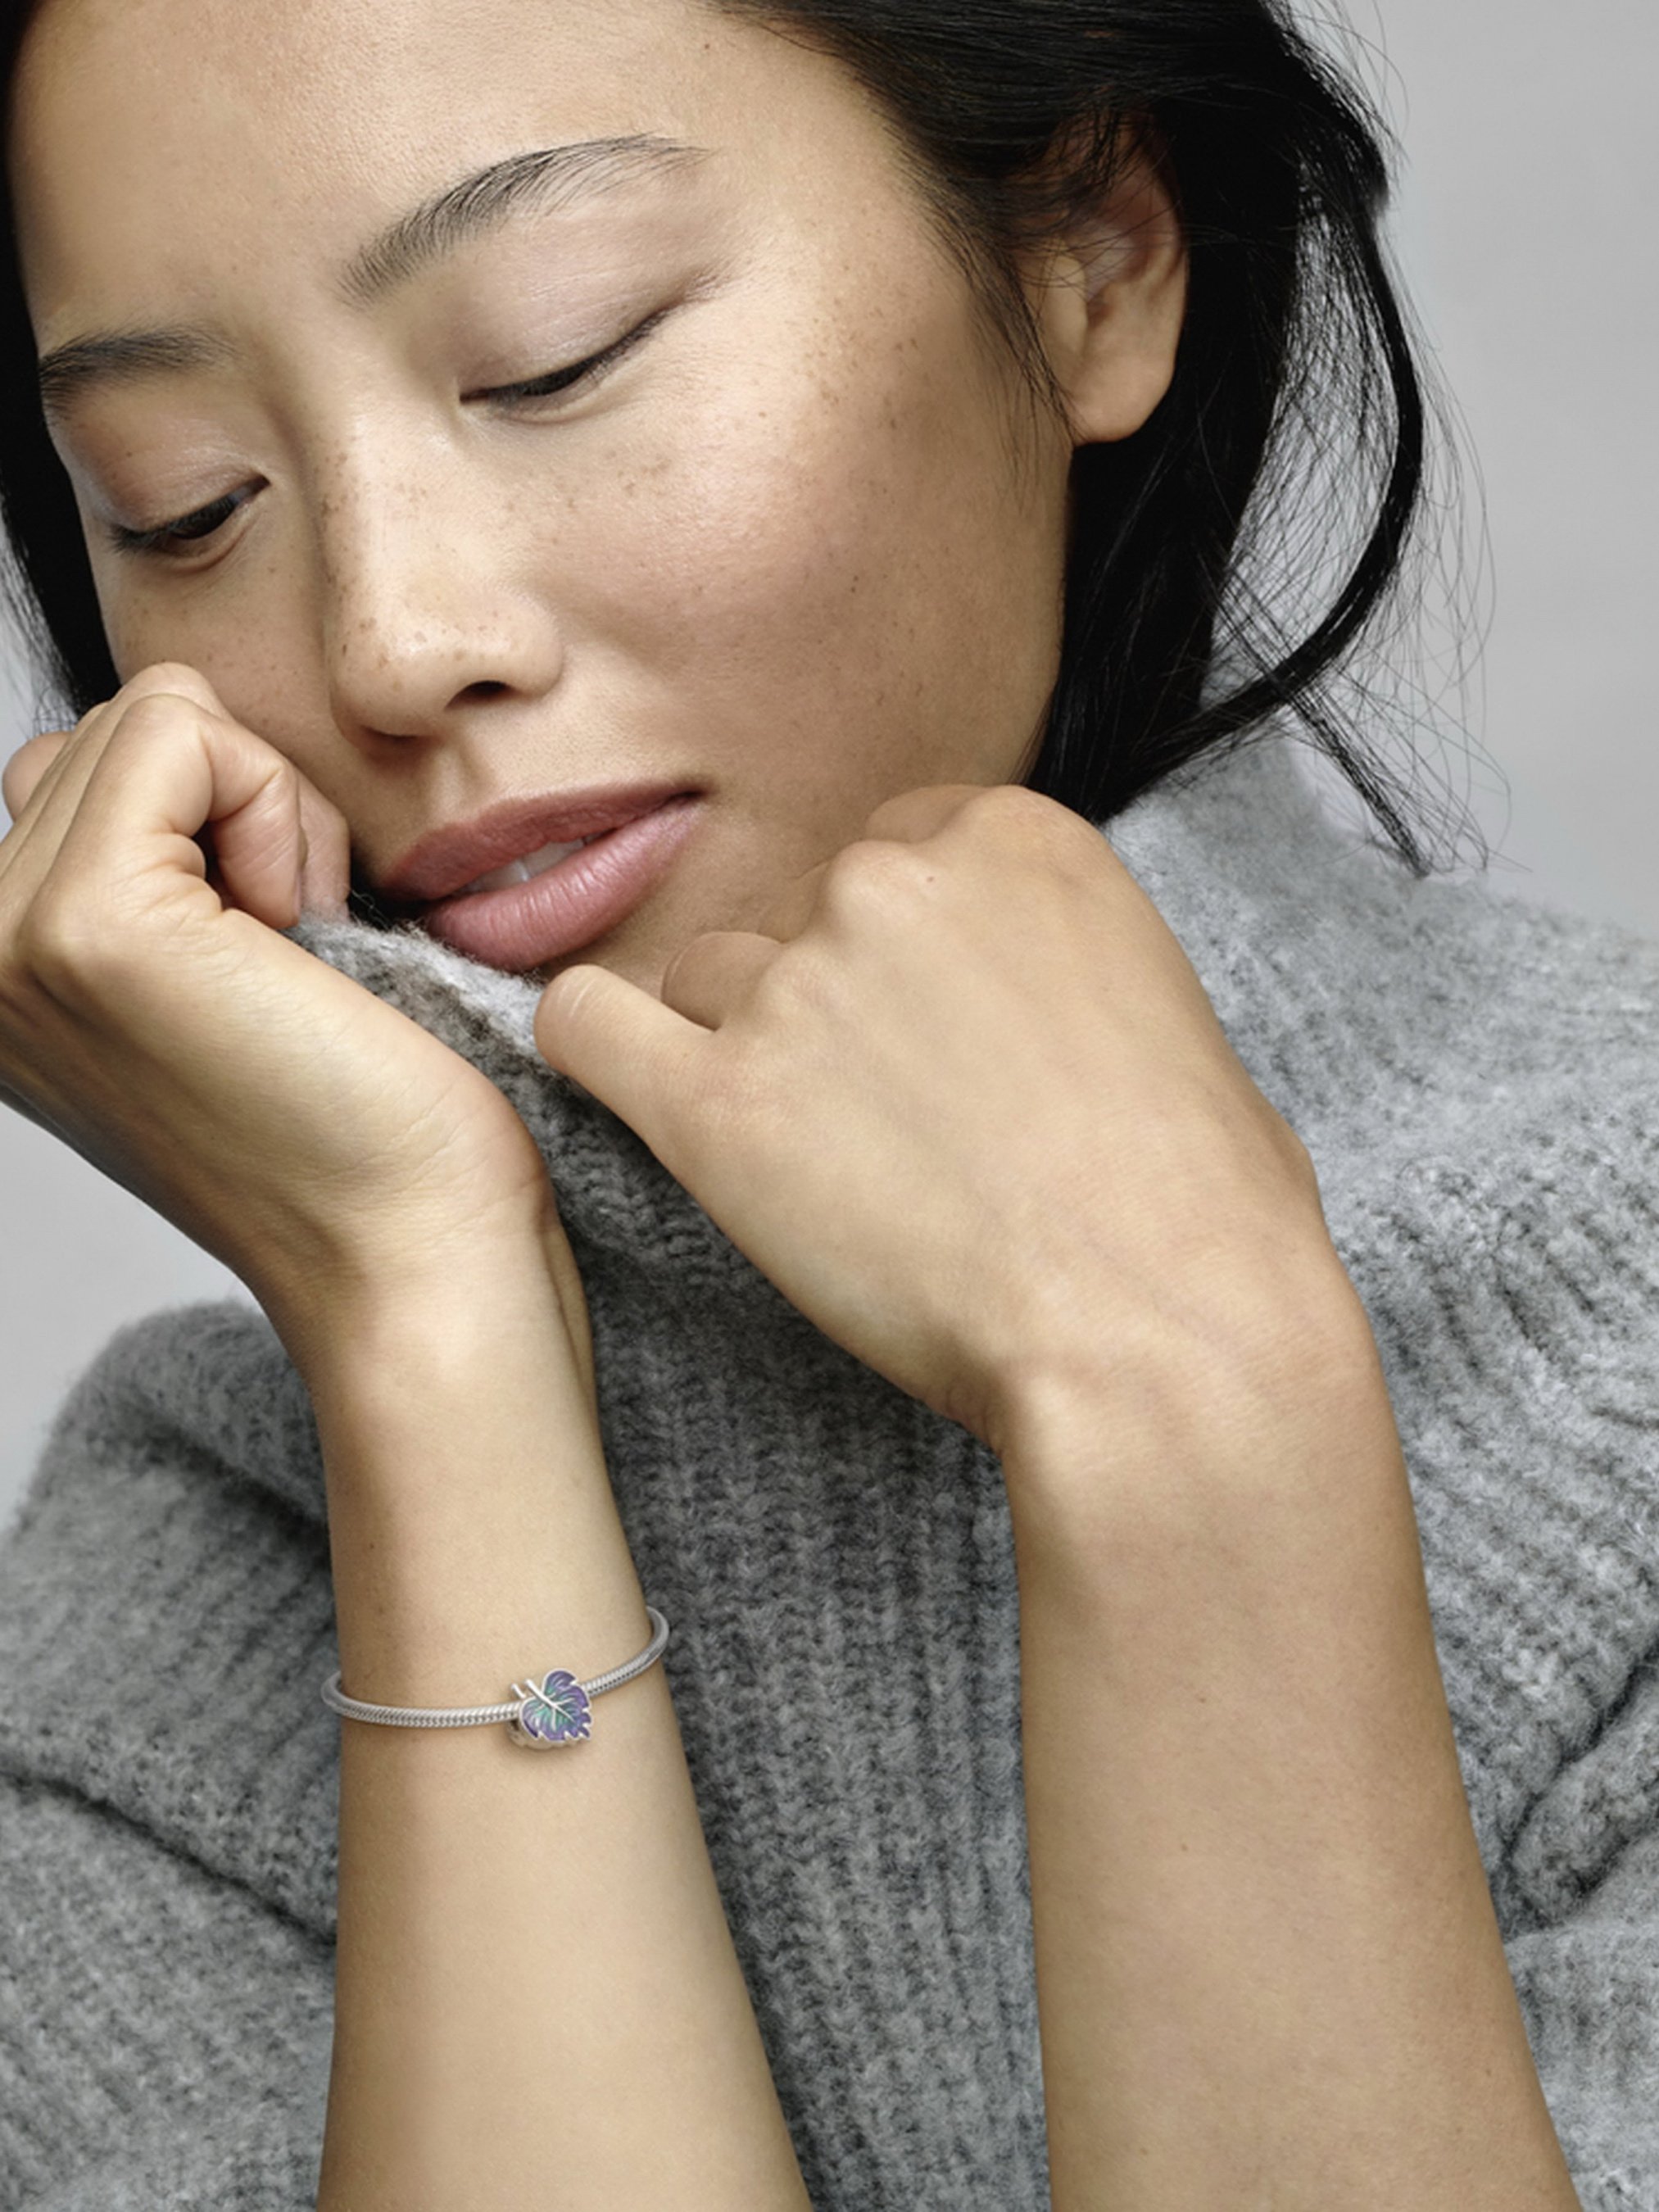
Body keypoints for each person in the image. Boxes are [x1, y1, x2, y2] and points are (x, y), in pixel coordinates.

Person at [0, 0, 1653, 2204]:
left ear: (1092, 257)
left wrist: (1175, 1390)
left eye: (558, 356)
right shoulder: (174, 1597)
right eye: (187, 504)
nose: (390, 641)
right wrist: (428, 1332)